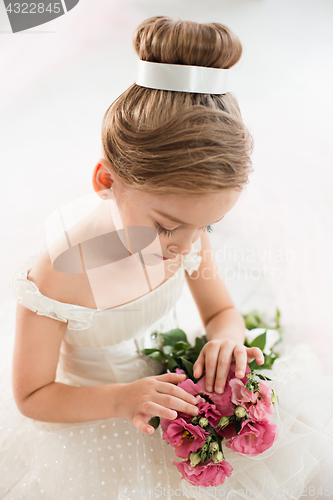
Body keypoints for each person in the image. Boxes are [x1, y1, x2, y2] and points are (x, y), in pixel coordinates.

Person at [1, 15, 332, 500]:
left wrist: (226, 338)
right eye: (167, 226)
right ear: (106, 181)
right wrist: (122, 398)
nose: (185, 245)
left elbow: (221, 312)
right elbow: (32, 396)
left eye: (208, 226)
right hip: (100, 414)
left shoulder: (188, 236)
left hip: (171, 397)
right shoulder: (58, 275)